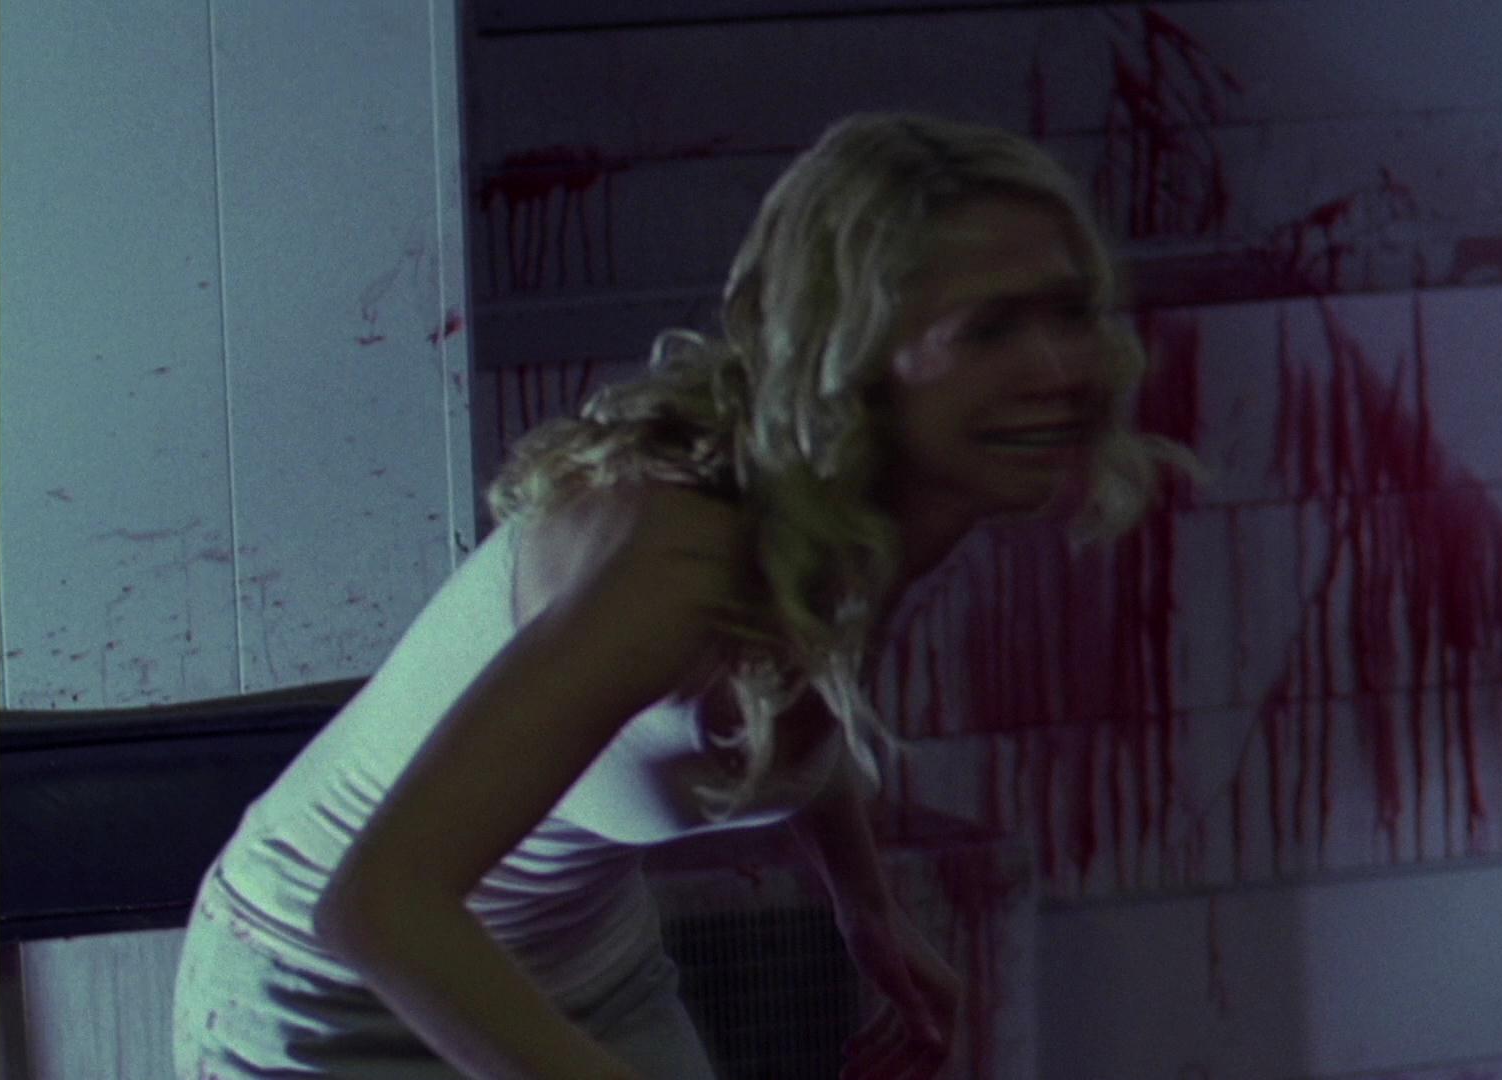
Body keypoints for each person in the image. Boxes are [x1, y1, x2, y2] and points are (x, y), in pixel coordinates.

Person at [171, 111, 1200, 1079]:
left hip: (583, 967)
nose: (1060, 368)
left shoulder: (845, 514)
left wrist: (867, 909)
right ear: (856, 354)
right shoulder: (681, 571)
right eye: (989, 329)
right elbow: (377, 906)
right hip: (334, 994)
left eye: (1071, 312)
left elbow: (794, 702)